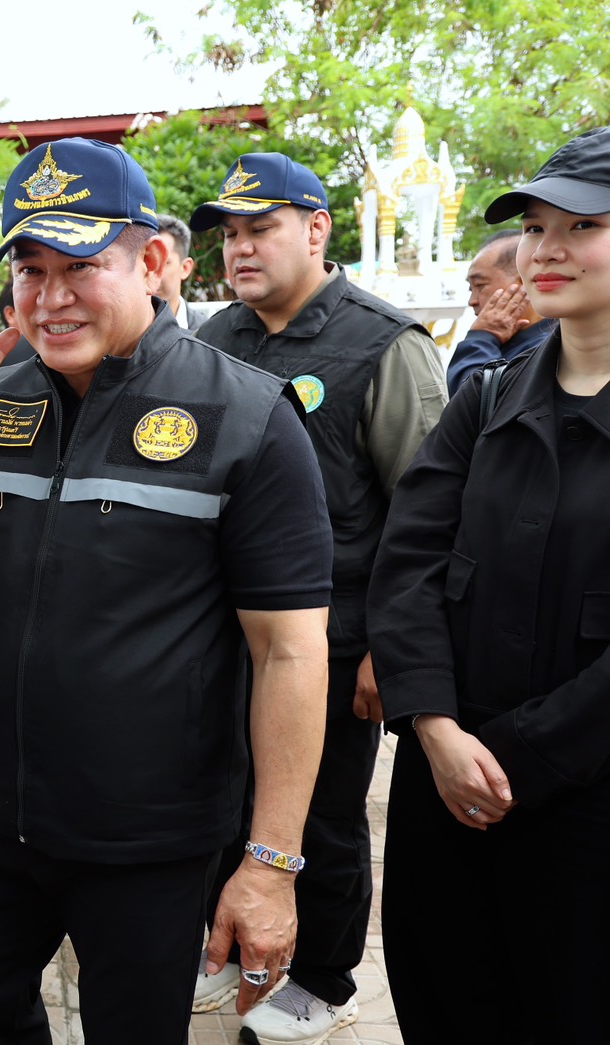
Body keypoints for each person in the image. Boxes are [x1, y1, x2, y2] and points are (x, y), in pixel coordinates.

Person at [0, 138, 334, 1044]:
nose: (49, 296)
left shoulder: (248, 416)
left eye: (80, 266)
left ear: (149, 261)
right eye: (29, 268)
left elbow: (289, 649)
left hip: (152, 836)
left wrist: (269, 862)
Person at [187, 151, 447, 1040]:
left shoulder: (384, 342)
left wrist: (390, 641)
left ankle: (326, 979)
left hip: (335, 640)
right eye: (229, 234)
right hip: (225, 631)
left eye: (260, 227)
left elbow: (428, 509)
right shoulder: (212, 339)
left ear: (317, 227)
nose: (241, 248)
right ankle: (234, 948)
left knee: (325, 817)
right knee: (230, 797)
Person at [368, 127, 610, 1044]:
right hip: (449, 785)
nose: (543, 250)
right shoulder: (485, 399)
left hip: (585, 806)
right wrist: (433, 729)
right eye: (536, 227)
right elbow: (408, 564)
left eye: (579, 226)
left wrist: (517, 754)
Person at [446, 229, 554, 394]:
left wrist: (482, 337)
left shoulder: (549, 348)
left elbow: (472, 403)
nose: (472, 301)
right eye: (471, 289)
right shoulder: (508, 340)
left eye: (480, 285)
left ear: (522, 282)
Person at [155, 214, 197, 328]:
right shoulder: (121, 336)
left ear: (185, 268)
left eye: (162, 263)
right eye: (145, 262)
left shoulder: (207, 334)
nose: (151, 273)